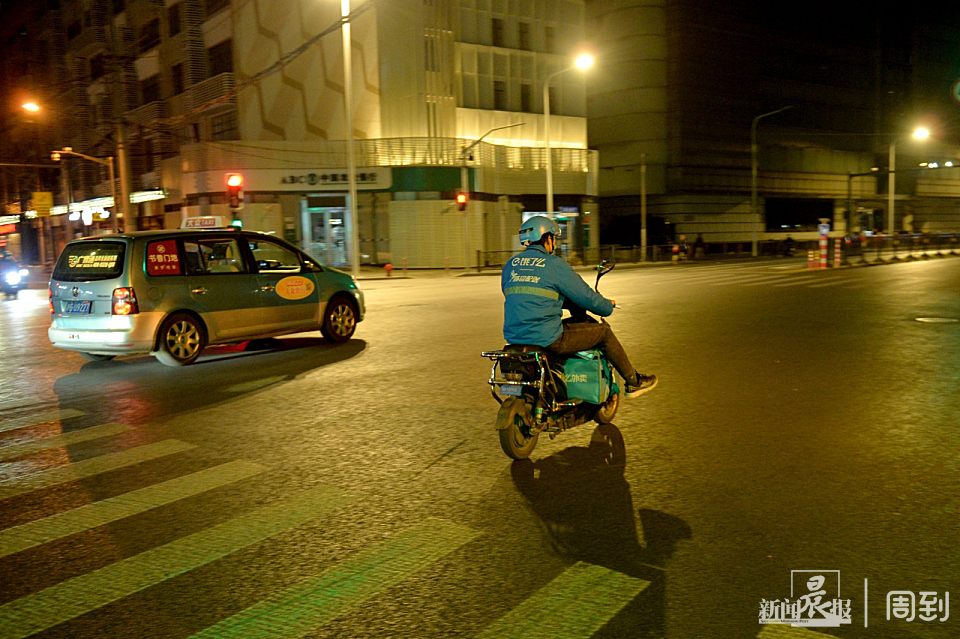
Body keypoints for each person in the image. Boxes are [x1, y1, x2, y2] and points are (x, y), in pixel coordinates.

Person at [501, 215, 658, 398]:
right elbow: (586, 296)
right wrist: (606, 306)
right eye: (554, 238)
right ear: (547, 239)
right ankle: (634, 382)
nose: (555, 243)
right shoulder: (554, 265)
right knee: (603, 333)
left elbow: (525, 295)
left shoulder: (510, 265)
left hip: (514, 337)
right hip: (547, 337)